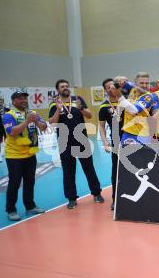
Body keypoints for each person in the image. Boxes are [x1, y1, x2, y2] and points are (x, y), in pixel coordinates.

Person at [49, 79, 104, 209]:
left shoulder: (77, 99)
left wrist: (81, 109)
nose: (65, 88)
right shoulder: (54, 104)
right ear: (58, 90)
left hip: (81, 139)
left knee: (89, 168)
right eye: (62, 86)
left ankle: (96, 193)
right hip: (64, 142)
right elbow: (52, 122)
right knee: (68, 171)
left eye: (67, 86)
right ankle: (71, 198)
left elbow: (90, 115)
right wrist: (58, 109)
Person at [2, 90, 46, 221]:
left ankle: (30, 206)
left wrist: (37, 122)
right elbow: (12, 132)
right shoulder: (8, 115)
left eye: (25, 98)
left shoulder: (32, 113)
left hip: (30, 154)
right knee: (14, 183)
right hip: (14, 156)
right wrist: (27, 122)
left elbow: (44, 127)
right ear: (14, 101)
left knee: (30, 181)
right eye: (20, 98)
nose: (23, 100)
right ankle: (11, 209)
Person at [99, 78, 124, 210]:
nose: (111, 88)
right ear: (106, 90)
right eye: (107, 87)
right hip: (116, 142)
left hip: (131, 139)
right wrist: (104, 142)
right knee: (116, 171)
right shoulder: (103, 107)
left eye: (112, 86)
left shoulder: (125, 101)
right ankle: (115, 199)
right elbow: (102, 127)